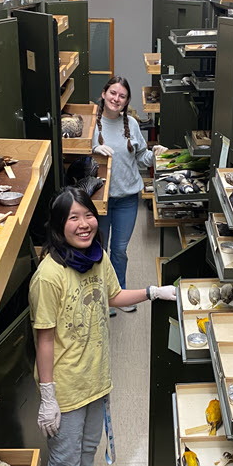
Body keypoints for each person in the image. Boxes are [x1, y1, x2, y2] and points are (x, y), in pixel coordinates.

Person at [28, 186, 176, 466]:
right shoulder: (48, 277)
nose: (84, 224)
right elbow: (44, 340)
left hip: (95, 380)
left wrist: (152, 292)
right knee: (63, 465)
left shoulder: (96, 257)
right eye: (73, 218)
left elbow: (113, 295)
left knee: (87, 451)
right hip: (66, 390)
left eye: (88, 215)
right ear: (58, 226)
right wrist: (48, 397)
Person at [92, 76, 167, 313]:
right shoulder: (92, 122)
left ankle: (119, 295)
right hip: (100, 200)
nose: (116, 99)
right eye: (113, 93)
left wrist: (155, 155)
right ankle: (101, 297)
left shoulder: (131, 124)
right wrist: (93, 149)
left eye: (122, 96)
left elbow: (141, 157)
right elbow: (77, 157)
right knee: (99, 250)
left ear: (126, 101)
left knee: (120, 250)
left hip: (127, 198)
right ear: (104, 93)